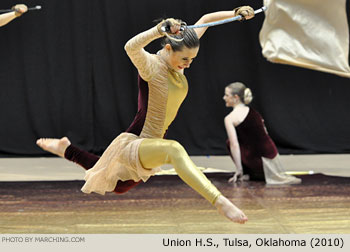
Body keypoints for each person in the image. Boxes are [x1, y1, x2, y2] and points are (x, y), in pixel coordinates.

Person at [37, 6, 256, 224]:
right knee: (174, 150)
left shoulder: (180, 54)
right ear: (168, 48)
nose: (188, 64)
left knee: (117, 185)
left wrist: (236, 13)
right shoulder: (151, 66)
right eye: (185, 59)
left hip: (153, 143)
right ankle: (220, 201)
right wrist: (160, 29)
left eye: (192, 59)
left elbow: (206, 18)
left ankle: (66, 148)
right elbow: (130, 47)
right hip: (137, 140)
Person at [223, 82, 301, 184]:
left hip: (259, 165)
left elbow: (234, 145)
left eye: (227, 95)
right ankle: (253, 173)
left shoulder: (230, 118)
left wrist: (239, 170)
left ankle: (247, 173)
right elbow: (265, 134)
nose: (224, 98)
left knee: (229, 142)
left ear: (236, 97)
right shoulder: (255, 113)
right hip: (272, 160)